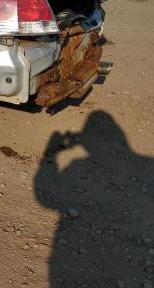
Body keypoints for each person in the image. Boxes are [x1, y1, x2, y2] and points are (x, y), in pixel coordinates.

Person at [34, 111, 154, 286]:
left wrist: (50, 155)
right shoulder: (147, 165)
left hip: (75, 266)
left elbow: (45, 199)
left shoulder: (77, 166)